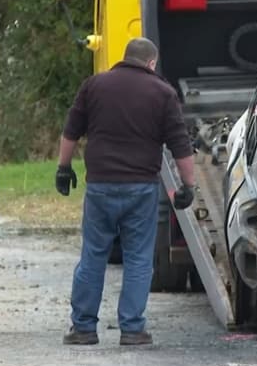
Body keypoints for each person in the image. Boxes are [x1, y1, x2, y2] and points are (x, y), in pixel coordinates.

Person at [55, 37, 197, 346]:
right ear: (151, 63)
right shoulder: (163, 93)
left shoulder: (94, 85)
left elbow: (71, 130)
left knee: (93, 255)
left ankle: (83, 328)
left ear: (125, 56)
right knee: (138, 258)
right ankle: (132, 329)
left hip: (100, 186)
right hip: (141, 189)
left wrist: (63, 168)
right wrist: (188, 185)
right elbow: (180, 143)